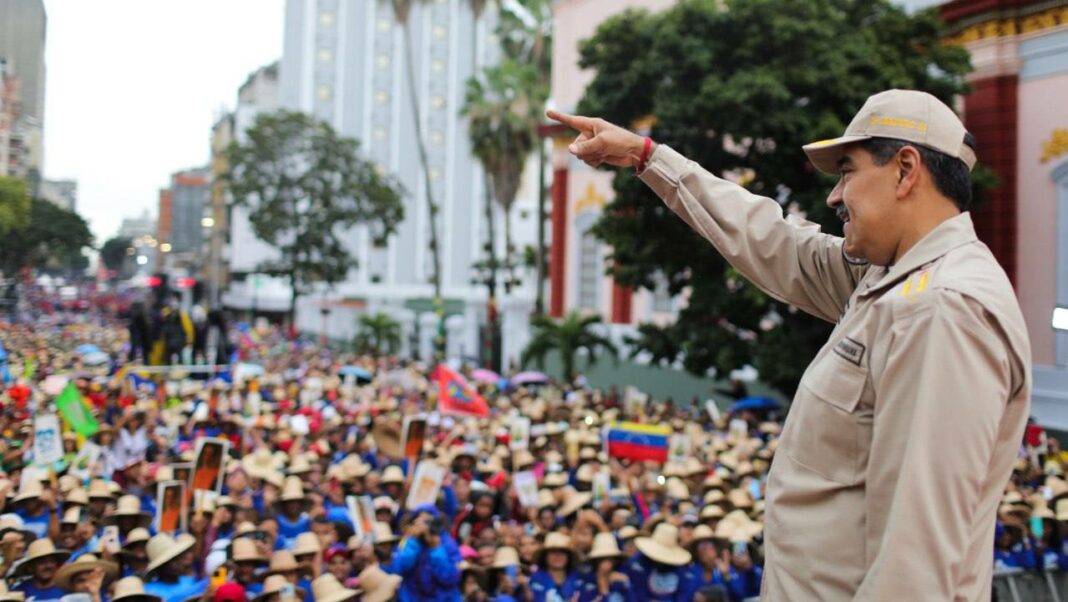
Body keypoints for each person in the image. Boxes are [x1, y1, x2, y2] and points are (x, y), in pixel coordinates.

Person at [549, 88, 1032, 600]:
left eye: (847, 171)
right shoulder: (889, 279)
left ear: (905, 169)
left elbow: (917, 567)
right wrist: (648, 158)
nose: (834, 196)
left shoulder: (940, 309)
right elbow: (772, 239)